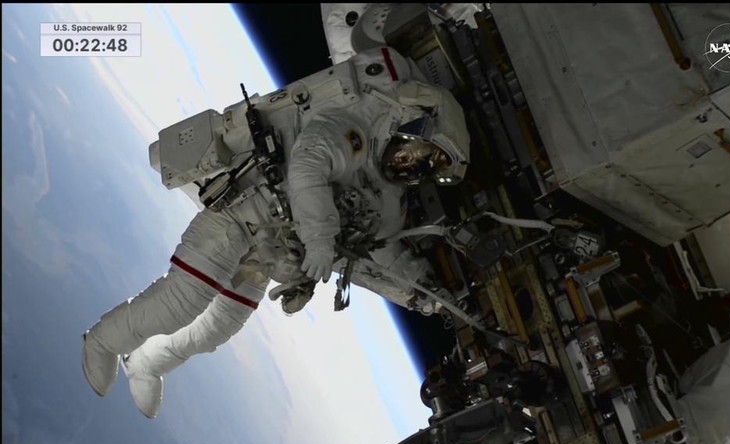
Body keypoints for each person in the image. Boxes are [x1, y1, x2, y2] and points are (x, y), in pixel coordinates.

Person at [82, 46, 470, 418]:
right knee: (183, 301)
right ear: (411, 123)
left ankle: (148, 364)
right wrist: (319, 241)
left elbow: (380, 253)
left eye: (425, 167)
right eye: (420, 152)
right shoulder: (355, 127)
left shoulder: (389, 198)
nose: (411, 164)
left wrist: (422, 295)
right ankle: (103, 341)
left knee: (216, 331)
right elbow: (307, 164)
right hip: (240, 213)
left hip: (272, 247)